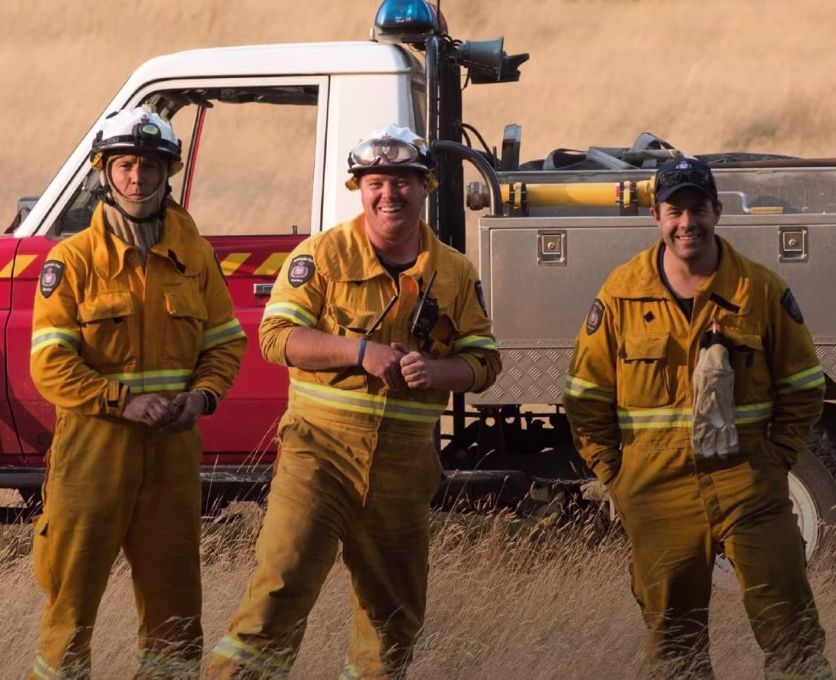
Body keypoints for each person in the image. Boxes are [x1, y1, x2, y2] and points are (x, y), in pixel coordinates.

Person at [209, 125, 501, 679]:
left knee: (392, 623)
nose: (390, 193)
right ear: (359, 188)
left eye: (403, 182)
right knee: (278, 594)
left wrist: (436, 370)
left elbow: (485, 361)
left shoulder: (455, 272)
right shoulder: (319, 256)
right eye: (377, 182)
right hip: (318, 456)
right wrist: (358, 351)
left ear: (425, 188)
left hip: (404, 467)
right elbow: (276, 339)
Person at [563, 157, 831, 679]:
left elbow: (804, 386)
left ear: (718, 211)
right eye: (675, 211)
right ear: (656, 217)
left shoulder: (760, 290)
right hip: (656, 493)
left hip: (748, 486)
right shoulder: (620, 292)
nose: (688, 222)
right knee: (675, 647)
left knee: (792, 630)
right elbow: (585, 394)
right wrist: (618, 478)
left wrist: (774, 462)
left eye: (698, 209)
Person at [28, 106, 247, 679]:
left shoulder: (194, 255)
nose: (137, 178)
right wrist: (122, 401)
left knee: (176, 616)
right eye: (125, 165)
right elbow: (49, 364)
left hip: (173, 457)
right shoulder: (71, 261)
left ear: (166, 173)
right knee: (69, 611)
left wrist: (201, 398)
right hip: (91, 456)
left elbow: (225, 345)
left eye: (149, 166)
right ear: (105, 171)